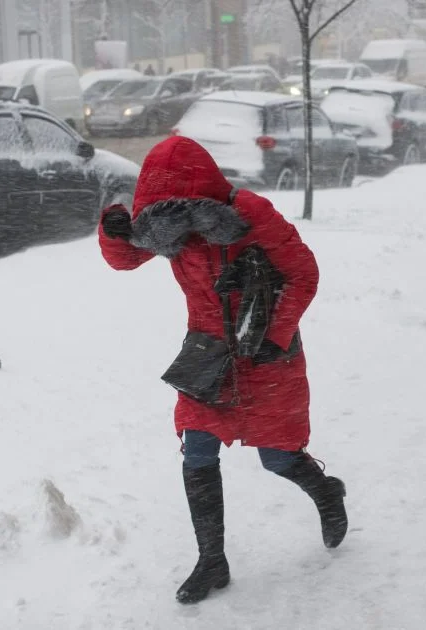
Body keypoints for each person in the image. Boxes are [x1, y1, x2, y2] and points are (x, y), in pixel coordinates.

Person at [97, 137, 348, 604]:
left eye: (182, 213)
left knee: (276, 457)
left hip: (267, 352)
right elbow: (126, 258)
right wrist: (113, 230)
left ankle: (327, 494)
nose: (174, 229)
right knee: (196, 451)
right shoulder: (165, 226)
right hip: (208, 353)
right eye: (161, 216)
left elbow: (303, 272)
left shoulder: (250, 213)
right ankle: (212, 560)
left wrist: (275, 334)